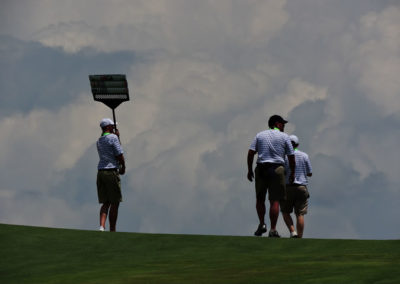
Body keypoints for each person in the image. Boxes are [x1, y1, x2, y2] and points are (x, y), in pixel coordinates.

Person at [247, 115, 296, 237]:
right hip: (277, 169)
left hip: (262, 168)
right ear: (276, 124)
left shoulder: (260, 135)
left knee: (260, 198)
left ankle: (262, 223)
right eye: (282, 123)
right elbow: (291, 157)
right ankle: (273, 229)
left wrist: (249, 170)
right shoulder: (284, 137)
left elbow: (251, 153)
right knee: (274, 200)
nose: (284, 126)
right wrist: (292, 173)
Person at [96, 118, 126, 232]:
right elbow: (119, 154)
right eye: (112, 126)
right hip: (111, 171)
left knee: (106, 202)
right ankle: (112, 229)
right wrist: (123, 167)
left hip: (100, 172)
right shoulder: (113, 138)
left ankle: (102, 227)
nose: (114, 128)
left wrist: (117, 137)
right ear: (108, 127)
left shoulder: (99, 140)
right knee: (115, 202)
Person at [281, 135, 312, 238]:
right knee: (300, 214)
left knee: (285, 212)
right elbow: (309, 173)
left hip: (288, 187)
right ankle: (300, 237)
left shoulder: (283, 156)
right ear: (297, 145)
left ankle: (292, 231)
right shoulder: (304, 156)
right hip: (301, 187)